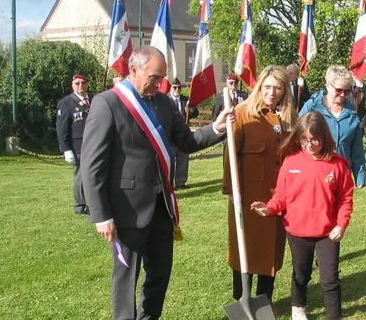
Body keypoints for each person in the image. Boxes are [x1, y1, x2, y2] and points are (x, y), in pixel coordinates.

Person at [80, 46, 235, 320]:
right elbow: (92, 165)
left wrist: (217, 128)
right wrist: (101, 215)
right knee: (126, 277)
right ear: (134, 71)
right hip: (127, 210)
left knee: (160, 274)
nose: (159, 83)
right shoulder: (108, 103)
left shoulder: (163, 102)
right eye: (153, 77)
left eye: (162, 77)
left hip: (162, 208)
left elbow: (186, 141)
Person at [251, 111, 354, 320]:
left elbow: (345, 198)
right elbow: (281, 196)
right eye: (304, 139)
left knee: (330, 278)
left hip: (328, 233)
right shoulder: (290, 162)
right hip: (298, 232)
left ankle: (334, 316)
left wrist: (341, 224)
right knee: (301, 273)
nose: (309, 143)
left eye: (314, 139)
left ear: (324, 137)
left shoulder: (337, 165)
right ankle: (298, 306)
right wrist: (269, 208)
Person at [222, 65, 298, 315]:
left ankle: (264, 299)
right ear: (259, 87)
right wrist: (232, 190)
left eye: (277, 87)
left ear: (284, 90)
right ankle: (240, 297)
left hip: (278, 197)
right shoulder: (243, 114)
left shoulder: (289, 118)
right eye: (267, 87)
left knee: (271, 251)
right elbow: (230, 155)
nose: (272, 92)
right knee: (242, 246)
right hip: (247, 196)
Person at [300, 65, 366, 188]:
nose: (342, 95)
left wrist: (360, 176)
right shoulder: (312, 107)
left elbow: (357, 148)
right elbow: (297, 139)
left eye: (347, 91)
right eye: (339, 90)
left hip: (341, 176)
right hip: (313, 176)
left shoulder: (352, 113)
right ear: (327, 86)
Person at [56, 73, 92, 215]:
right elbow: (62, 128)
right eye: (77, 83)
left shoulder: (94, 100)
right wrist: (66, 149)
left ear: (87, 84)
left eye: (83, 83)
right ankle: (79, 204)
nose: (80, 86)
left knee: (92, 175)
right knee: (81, 176)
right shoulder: (66, 102)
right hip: (77, 145)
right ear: (72, 85)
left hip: (93, 144)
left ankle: (91, 203)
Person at [167, 77, 198, 189]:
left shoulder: (186, 100)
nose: (177, 89)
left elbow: (195, 114)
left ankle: (180, 182)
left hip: (184, 135)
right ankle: (168, 183)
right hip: (171, 136)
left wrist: (191, 108)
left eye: (179, 87)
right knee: (170, 160)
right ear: (170, 88)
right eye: (174, 87)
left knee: (183, 159)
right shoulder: (166, 100)